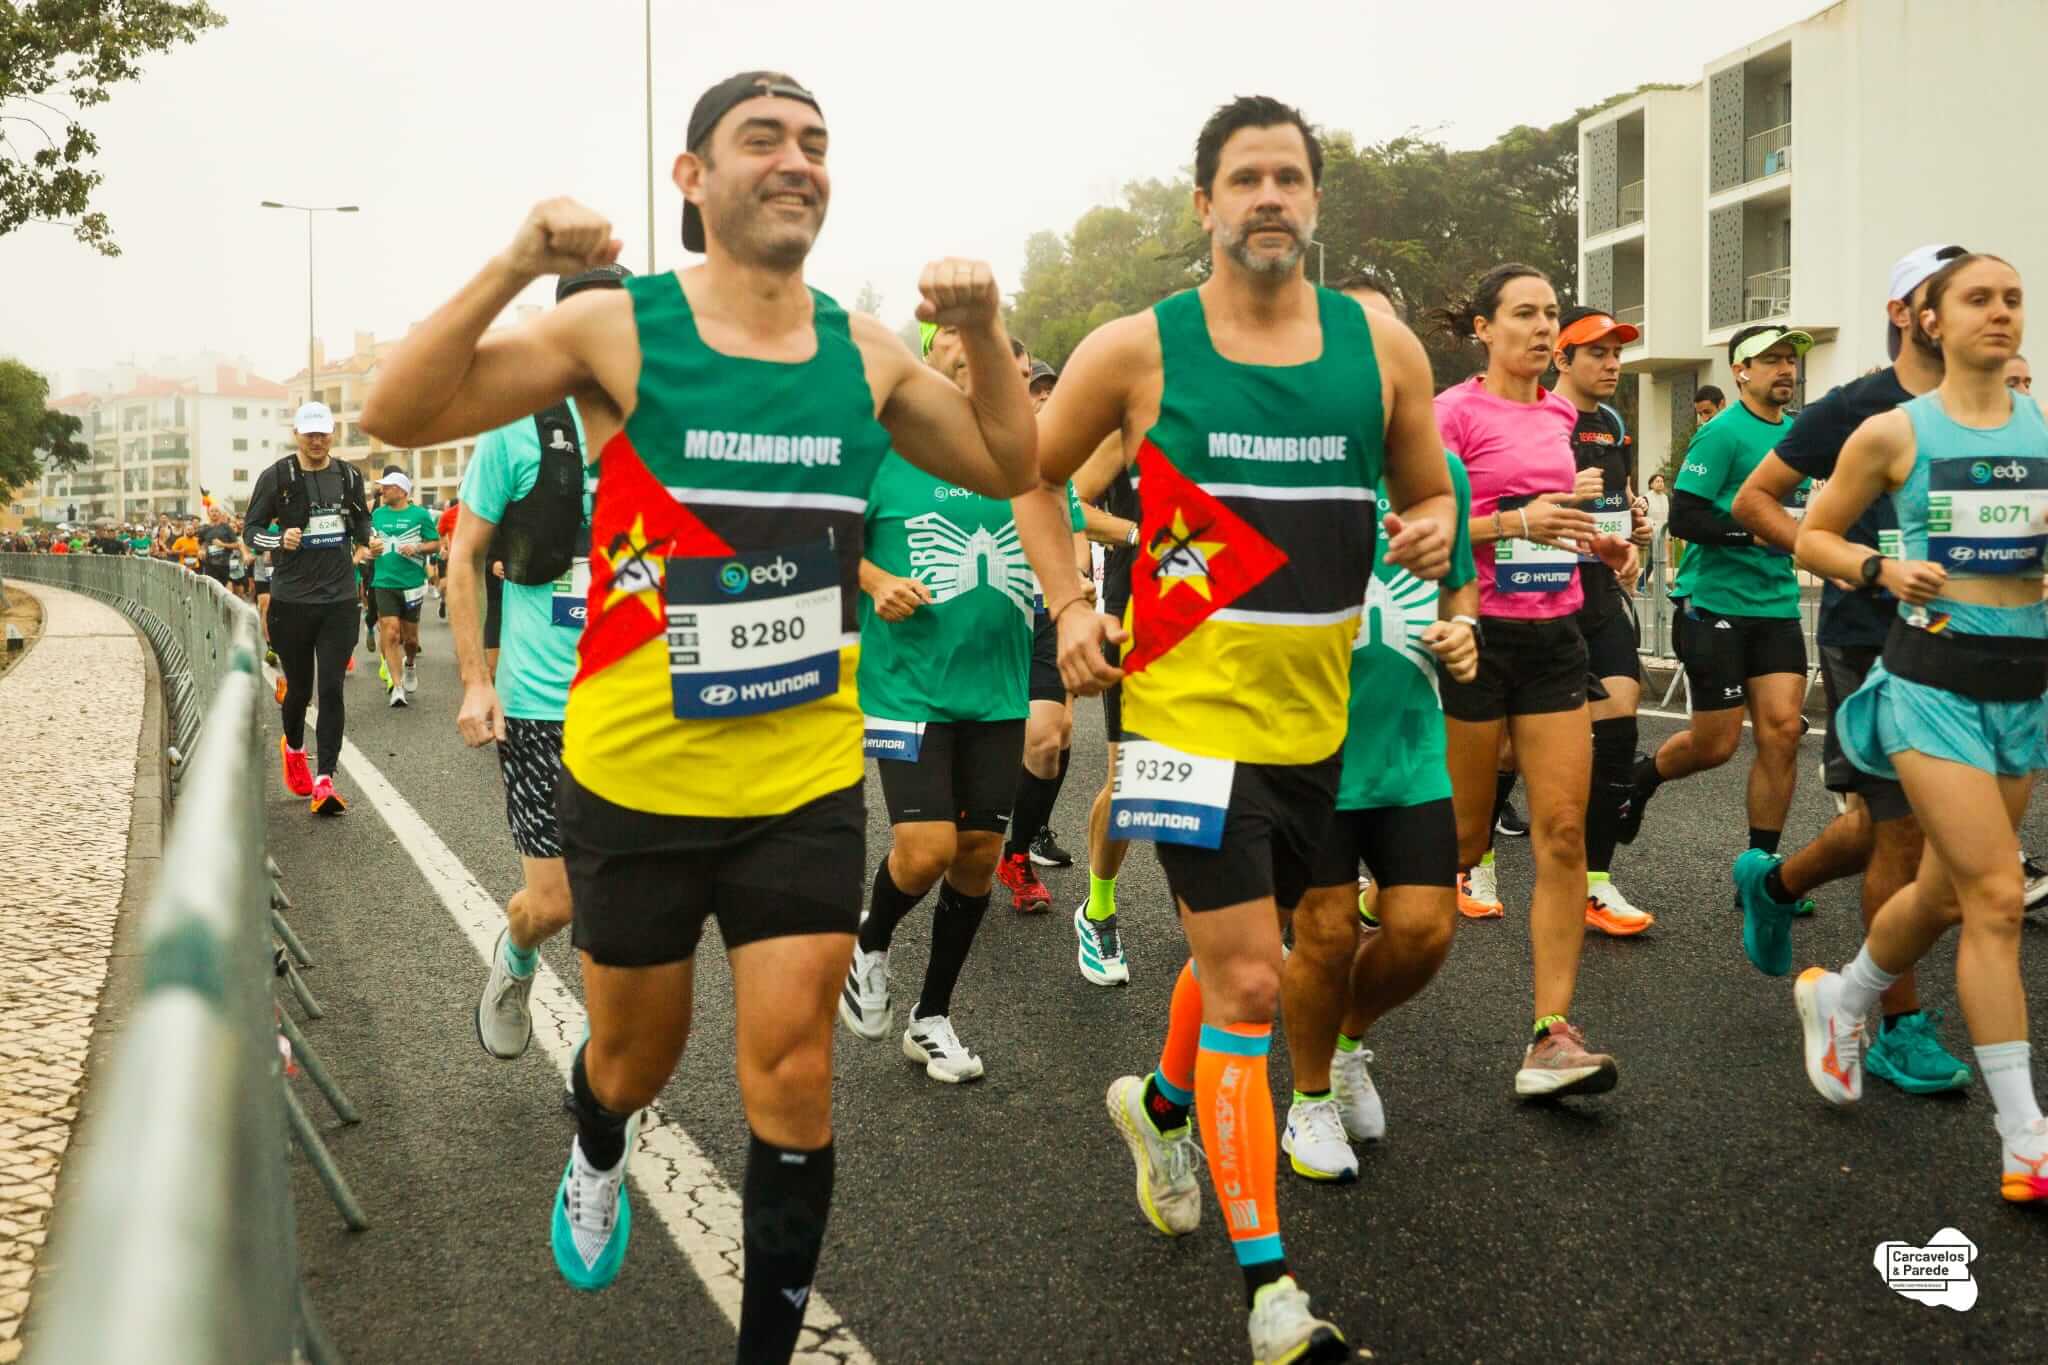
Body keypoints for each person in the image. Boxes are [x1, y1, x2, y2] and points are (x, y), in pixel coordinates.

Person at [360, 70, 1037, 1361]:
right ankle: (597, 1140)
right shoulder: (621, 328)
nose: (795, 160)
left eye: (814, 143)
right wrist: (514, 264)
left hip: (800, 774)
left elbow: (1012, 461)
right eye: (761, 139)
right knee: (635, 1059)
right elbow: (396, 412)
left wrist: (986, 326)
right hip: (637, 775)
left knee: (794, 1073)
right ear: (692, 176)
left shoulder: (865, 350)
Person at [1018, 94, 1456, 1364]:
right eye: (1245, 178)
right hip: (1178, 711)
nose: (1269, 196)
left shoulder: (1379, 350)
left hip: (1314, 719)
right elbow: (1030, 476)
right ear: (1203, 202)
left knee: (1243, 958)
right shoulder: (1134, 348)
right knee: (1256, 978)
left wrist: (1433, 527)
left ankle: (1160, 1109)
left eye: (1289, 177)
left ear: (1314, 200)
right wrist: (1067, 607)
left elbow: (1425, 490)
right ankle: (1270, 1292)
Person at [1789, 251, 2048, 1203]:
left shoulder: (2040, 428)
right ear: (1929, 319)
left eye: (2013, 298)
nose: (2001, 312)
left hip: (2021, 686)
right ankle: (2026, 1137)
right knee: (1997, 895)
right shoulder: (1895, 431)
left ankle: (1844, 996)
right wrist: (1880, 569)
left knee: (1942, 893)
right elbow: (1814, 535)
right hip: (1927, 684)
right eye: (1978, 298)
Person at [1728, 243, 1974, 1092]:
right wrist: (1839, 558)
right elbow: (1753, 499)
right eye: (1946, 294)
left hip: (1965, 639)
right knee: (1903, 830)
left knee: (1880, 828)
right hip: (1870, 635)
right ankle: (1897, 1023)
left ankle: (1775, 883)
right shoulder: (1857, 407)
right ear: (1904, 312)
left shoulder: (1989, 409)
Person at [1279, 274, 1476, 1181]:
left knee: (1424, 930)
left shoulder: (1442, 475)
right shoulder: (1288, 465)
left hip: (1407, 745)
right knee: (1322, 935)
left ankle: (1350, 1038)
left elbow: (1460, 586)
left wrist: (1465, 630)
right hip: (1304, 745)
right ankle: (1308, 1100)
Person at [1430, 263, 1636, 1096]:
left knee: (1561, 831)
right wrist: (1515, 520)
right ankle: (1359, 927)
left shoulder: (1560, 414)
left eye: (1551, 313)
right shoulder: (1450, 413)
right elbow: (1420, 524)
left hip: (1555, 635)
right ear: (1484, 328)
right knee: (1458, 842)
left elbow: (1554, 524)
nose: (1544, 327)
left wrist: (1598, 544)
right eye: (1525, 313)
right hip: (1475, 637)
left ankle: (1551, 1033)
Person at [838, 317, 1047, 1081]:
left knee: (979, 857)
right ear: (923, 359)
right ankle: (870, 940)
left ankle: (931, 1017)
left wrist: (1077, 599)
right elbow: (828, 534)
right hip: (908, 685)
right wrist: (875, 581)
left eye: (981, 334)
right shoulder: (885, 445)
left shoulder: (1018, 450)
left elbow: (1061, 523)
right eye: (951, 335)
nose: (967, 347)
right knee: (926, 849)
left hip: (998, 687)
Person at [455, 263, 630, 1062]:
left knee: (616, 900)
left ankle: (603, 1083)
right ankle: (518, 951)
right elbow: (466, 556)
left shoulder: (660, 430)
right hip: (538, 700)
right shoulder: (517, 429)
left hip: (635, 700)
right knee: (554, 901)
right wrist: (475, 679)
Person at [1623, 325, 1813, 875]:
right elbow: (1686, 517)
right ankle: (1641, 778)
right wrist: (1753, 533)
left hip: (1776, 604)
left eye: (1790, 359)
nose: (1785, 369)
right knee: (1716, 745)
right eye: (1770, 359)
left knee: (1782, 732)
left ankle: (1760, 871)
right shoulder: (1721, 433)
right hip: (1715, 604)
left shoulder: (1799, 436)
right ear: (1740, 371)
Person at [1552, 306, 1655, 935]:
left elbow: (1615, 503)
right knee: (1511, 748)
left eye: (1616, 353)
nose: (1612, 364)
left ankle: (1595, 882)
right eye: (1597, 352)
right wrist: (1565, 493)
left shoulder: (1614, 423)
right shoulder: (1537, 418)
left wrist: (1633, 529)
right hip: (1538, 596)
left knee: (1619, 730)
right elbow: (1501, 504)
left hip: (1599, 592)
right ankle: (1473, 864)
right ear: (1561, 358)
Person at [246, 401, 381, 815]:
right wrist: (278, 540)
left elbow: (360, 520)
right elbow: (251, 531)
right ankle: (293, 747)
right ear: (297, 435)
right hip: (292, 601)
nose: (317, 440)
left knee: (332, 689)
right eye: (310, 434)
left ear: (332, 434)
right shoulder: (277, 476)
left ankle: (325, 780)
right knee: (300, 690)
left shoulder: (348, 475)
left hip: (339, 599)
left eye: (323, 433)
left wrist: (369, 539)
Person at [368, 469, 440, 707]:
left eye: (387, 487)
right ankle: (397, 687)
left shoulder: (419, 515)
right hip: (384, 581)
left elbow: (435, 543)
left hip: (411, 583)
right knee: (390, 633)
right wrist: (372, 548)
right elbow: (369, 541)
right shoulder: (378, 514)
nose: (382, 491)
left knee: (410, 639)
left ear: (401, 491)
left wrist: (417, 548)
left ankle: (410, 664)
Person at [196, 503, 240, 588]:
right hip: (209, 565)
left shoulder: (226, 527)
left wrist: (222, 544)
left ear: (220, 514)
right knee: (211, 589)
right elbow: (200, 543)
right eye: (212, 511)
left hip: (224, 564)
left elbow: (237, 545)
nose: (214, 513)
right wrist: (201, 550)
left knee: (224, 589)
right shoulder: (204, 528)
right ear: (208, 514)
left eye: (216, 511)